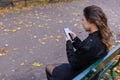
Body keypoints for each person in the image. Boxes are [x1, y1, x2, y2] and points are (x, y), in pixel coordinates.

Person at [45, 5, 112, 80]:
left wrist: (68, 44)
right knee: (56, 66)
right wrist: (75, 39)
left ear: (91, 21)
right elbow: (86, 51)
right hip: (91, 71)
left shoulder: (90, 43)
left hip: (81, 75)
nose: (82, 23)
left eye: (83, 20)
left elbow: (73, 63)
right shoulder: (102, 35)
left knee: (48, 67)